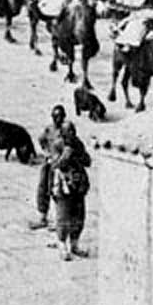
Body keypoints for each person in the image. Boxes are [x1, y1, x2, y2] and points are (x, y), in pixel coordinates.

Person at [50, 122, 91, 261]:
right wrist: (65, 156)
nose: (72, 134)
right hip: (63, 184)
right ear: (63, 133)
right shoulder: (57, 145)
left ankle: (75, 244)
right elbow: (55, 165)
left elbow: (88, 161)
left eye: (73, 131)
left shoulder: (78, 143)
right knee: (63, 216)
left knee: (79, 216)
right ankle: (62, 245)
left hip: (78, 184)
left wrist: (80, 155)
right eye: (69, 132)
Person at [29, 105, 69, 231]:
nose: (57, 119)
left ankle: (59, 221)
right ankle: (42, 217)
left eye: (60, 116)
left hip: (60, 166)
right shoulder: (49, 129)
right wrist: (47, 153)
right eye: (55, 116)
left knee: (58, 192)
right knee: (43, 188)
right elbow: (41, 140)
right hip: (48, 163)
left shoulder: (67, 130)